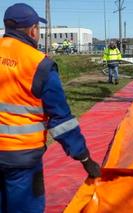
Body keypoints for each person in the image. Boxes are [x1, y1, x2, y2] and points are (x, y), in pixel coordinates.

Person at [0, 3, 101, 212]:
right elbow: (62, 120)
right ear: (33, 30)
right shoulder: (39, 65)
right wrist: (84, 157)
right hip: (22, 159)